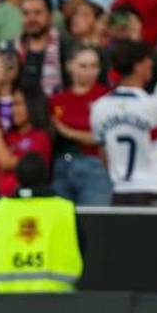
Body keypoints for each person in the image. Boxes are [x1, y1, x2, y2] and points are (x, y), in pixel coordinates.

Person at [91, 40, 157, 206]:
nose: (151, 66)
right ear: (139, 66)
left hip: (121, 192)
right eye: (148, 62)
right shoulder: (155, 104)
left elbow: (103, 153)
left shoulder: (99, 107)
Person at [0, 151, 83, 293]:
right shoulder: (64, 209)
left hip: (4, 301)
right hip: (57, 301)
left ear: (17, 178)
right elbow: (81, 248)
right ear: (47, 176)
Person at [50, 45, 112, 206]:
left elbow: (104, 136)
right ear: (69, 66)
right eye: (83, 66)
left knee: (95, 222)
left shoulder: (105, 97)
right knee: (63, 223)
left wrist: (67, 132)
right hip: (61, 165)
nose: (89, 71)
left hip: (95, 166)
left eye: (94, 66)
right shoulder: (58, 100)